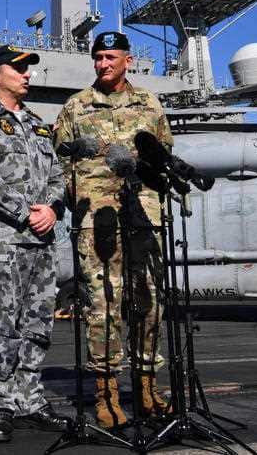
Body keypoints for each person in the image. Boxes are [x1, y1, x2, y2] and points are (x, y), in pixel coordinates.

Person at [54, 31, 174, 429]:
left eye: (110, 57)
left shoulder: (149, 104)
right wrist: (79, 205)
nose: (102, 64)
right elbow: (61, 163)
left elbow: (163, 155)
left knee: (150, 301)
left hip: (143, 214)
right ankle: (105, 393)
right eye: (98, 58)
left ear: (127, 60)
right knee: (103, 307)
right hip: (97, 221)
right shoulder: (76, 107)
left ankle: (146, 386)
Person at [0, 45, 70, 443]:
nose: (27, 75)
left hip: (40, 243)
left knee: (37, 325)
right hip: (3, 242)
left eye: (28, 69)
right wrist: (29, 212)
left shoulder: (40, 126)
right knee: (2, 325)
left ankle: (30, 399)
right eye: (18, 68)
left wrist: (54, 208)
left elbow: (57, 175)